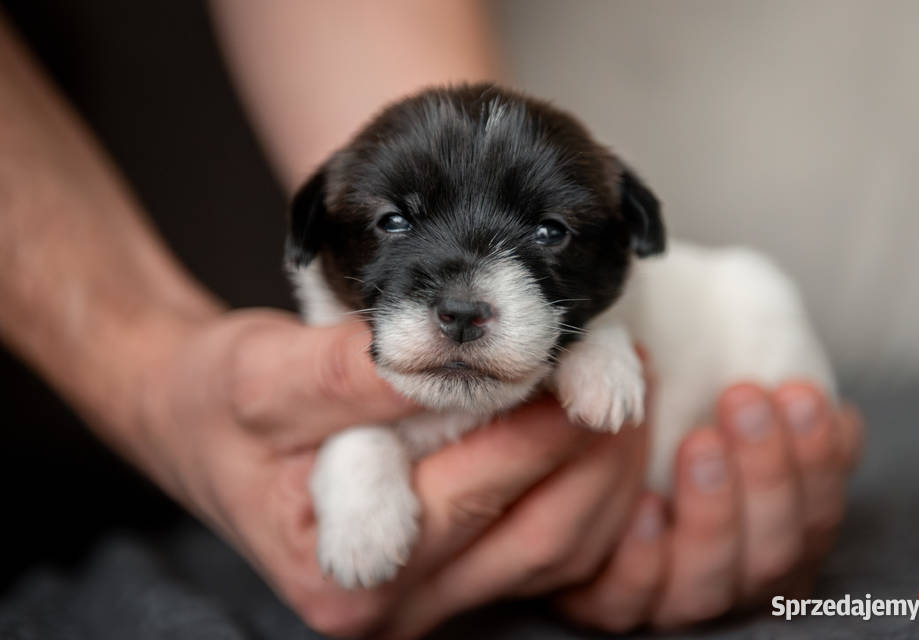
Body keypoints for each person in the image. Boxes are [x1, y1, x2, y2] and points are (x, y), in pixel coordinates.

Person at [0, 1, 862, 637]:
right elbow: (354, 431)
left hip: (686, 483)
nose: (461, 300)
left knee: (756, 292)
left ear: (628, 236)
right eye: (394, 224)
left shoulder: (678, 293)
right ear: (314, 236)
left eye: (549, 230)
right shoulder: (327, 328)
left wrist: (589, 342)